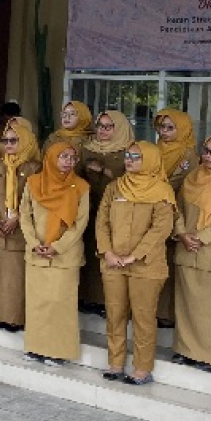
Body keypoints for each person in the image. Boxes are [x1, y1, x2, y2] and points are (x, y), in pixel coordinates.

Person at [96, 140, 175, 385]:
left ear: (150, 160)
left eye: (136, 157)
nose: (129, 160)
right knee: (115, 313)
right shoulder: (114, 187)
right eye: (127, 155)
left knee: (143, 317)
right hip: (113, 263)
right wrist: (107, 252)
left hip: (146, 265)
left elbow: (161, 228)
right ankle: (116, 363)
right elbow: (102, 223)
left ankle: (142, 368)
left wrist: (135, 255)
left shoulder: (162, 191)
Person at [20, 142, 89, 366]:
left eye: (72, 157)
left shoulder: (81, 187)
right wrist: (34, 243)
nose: (69, 161)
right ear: (50, 158)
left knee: (60, 304)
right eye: (63, 156)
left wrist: (57, 246)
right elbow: (25, 216)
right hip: (37, 253)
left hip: (64, 256)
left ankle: (58, 351)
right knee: (37, 304)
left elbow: (80, 223)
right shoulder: (33, 183)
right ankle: (35, 348)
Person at [173, 132, 211, 372]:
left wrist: (201, 239)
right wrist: (183, 234)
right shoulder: (192, 177)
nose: (208, 157)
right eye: (206, 151)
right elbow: (176, 209)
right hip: (186, 248)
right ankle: (186, 351)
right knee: (186, 306)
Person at [0, 116, 40, 332]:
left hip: (20, 229)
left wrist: (17, 217)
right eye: (6, 141)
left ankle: (15, 317)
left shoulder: (35, 167)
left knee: (15, 279)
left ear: (25, 141)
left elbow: (35, 197)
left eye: (14, 141)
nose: (8, 145)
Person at [79, 110, 134, 313]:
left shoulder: (128, 151)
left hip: (116, 211)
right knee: (89, 253)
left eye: (108, 126)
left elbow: (132, 182)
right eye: (100, 125)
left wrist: (105, 172)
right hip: (89, 208)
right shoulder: (86, 149)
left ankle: (106, 302)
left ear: (118, 128)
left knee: (109, 253)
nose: (102, 130)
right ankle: (87, 298)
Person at [154, 107, 197, 328]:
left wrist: (154, 189)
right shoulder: (155, 149)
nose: (165, 132)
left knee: (169, 263)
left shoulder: (188, 155)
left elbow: (179, 182)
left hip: (175, 211)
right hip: (153, 209)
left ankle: (167, 314)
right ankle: (154, 309)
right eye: (162, 127)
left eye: (171, 128)